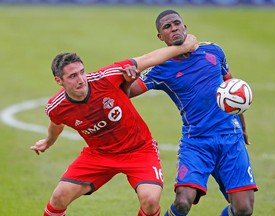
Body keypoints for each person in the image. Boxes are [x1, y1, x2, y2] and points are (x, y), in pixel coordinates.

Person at [29, 34, 198, 216]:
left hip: (139, 150)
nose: (80, 79)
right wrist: (48, 141)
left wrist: (183, 47)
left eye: (81, 72)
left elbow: (146, 59)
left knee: (150, 200)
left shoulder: (106, 78)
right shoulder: (56, 106)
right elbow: (56, 123)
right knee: (59, 197)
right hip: (99, 155)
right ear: (59, 81)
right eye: (72, 76)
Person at [124, 10, 258, 216]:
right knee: (182, 203)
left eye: (177, 23)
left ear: (185, 26)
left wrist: (244, 128)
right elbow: (128, 93)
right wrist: (129, 77)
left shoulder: (214, 51)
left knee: (243, 209)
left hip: (231, 138)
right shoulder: (161, 68)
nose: (173, 28)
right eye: (167, 27)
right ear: (161, 37)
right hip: (197, 142)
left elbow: (232, 90)